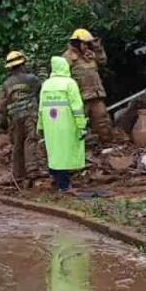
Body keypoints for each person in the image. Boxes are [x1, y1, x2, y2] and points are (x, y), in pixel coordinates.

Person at [37, 56, 86, 193]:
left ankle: (56, 180)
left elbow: (41, 108)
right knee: (65, 155)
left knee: (54, 153)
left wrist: (40, 127)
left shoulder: (46, 85)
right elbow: (77, 107)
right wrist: (81, 125)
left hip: (50, 126)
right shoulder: (69, 83)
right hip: (67, 125)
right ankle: (64, 186)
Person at [62, 28, 113, 147]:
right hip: (79, 97)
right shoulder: (68, 56)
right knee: (77, 124)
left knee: (103, 120)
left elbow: (103, 61)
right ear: (76, 42)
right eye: (84, 43)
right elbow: (63, 76)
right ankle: (74, 148)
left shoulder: (91, 53)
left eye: (87, 43)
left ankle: (107, 146)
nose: (86, 46)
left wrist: (98, 48)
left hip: (95, 94)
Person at [0, 50, 41, 188]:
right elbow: (40, 92)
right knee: (31, 140)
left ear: (9, 67)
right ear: (23, 64)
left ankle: (18, 175)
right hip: (30, 115)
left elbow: (2, 105)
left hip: (14, 119)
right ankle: (32, 172)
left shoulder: (6, 84)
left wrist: (3, 122)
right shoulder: (32, 79)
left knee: (17, 145)